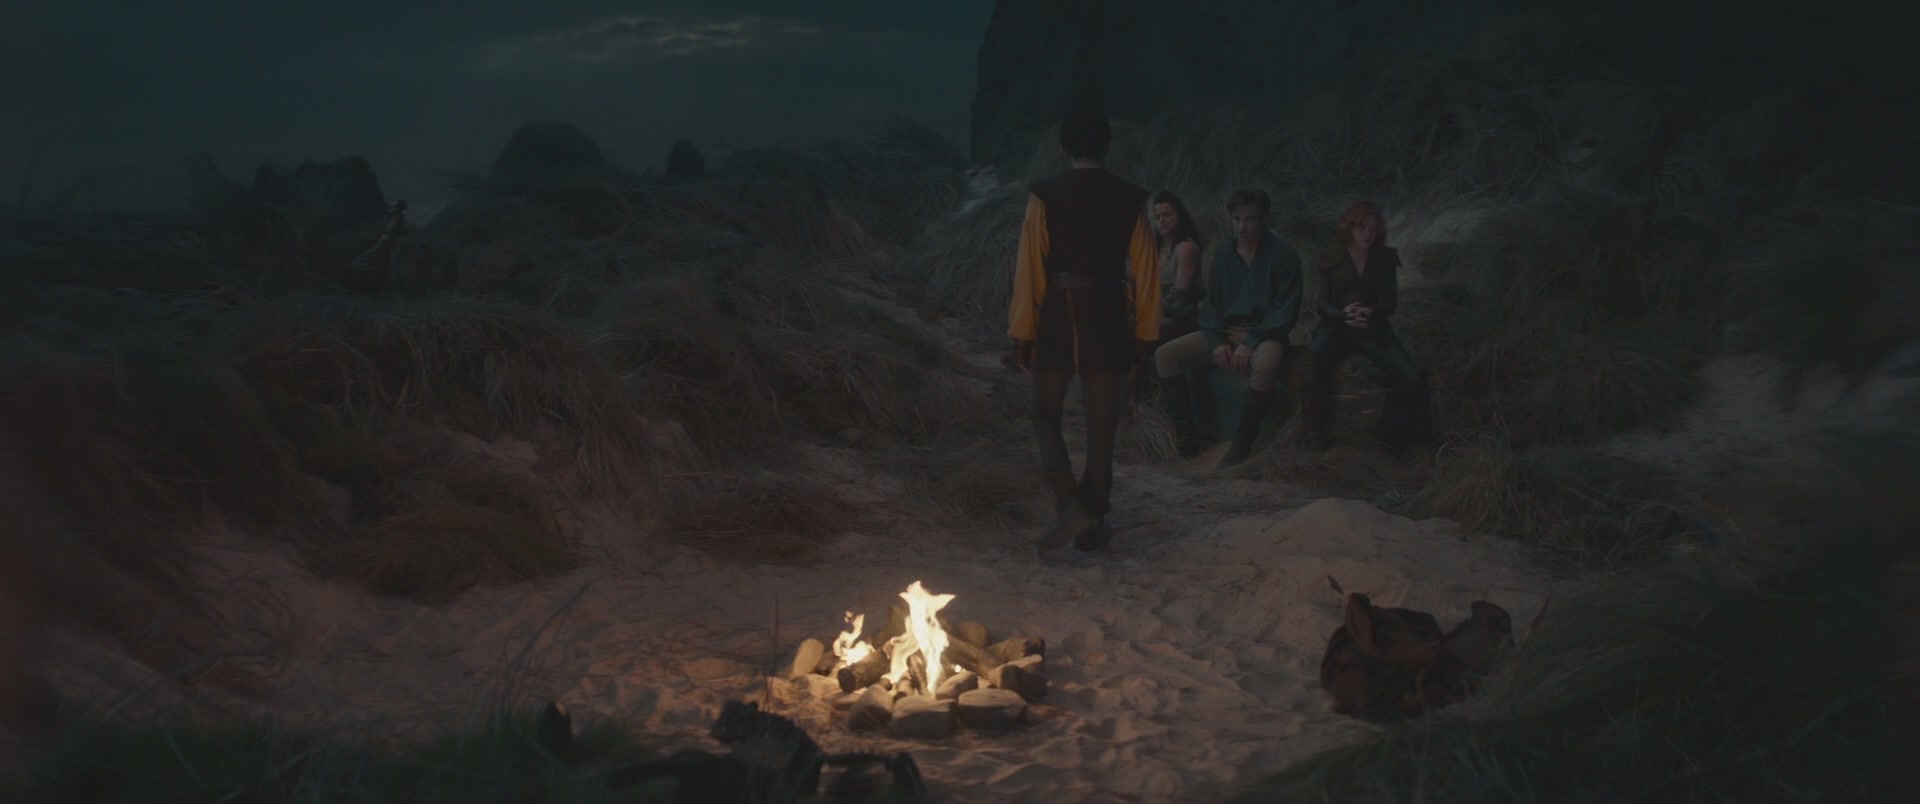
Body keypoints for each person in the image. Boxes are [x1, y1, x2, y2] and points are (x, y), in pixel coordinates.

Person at [1008, 103, 1161, 553]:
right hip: (1108, 316)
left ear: (1063, 148)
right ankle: (1091, 520)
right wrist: (1145, 335)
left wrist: (1023, 333)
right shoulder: (1131, 198)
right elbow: (1147, 272)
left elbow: (1029, 268)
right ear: (1107, 146)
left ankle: (1069, 500)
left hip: (1059, 313)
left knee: (1044, 414)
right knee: (1101, 428)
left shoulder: (1044, 196)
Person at [1152, 188, 1303, 468]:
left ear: (1264, 219)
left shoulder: (1284, 255)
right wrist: (1216, 342)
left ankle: (1241, 444)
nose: (1241, 227)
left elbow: (1284, 311)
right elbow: (1212, 307)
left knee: (1266, 365)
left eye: (1250, 219)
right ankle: (1188, 437)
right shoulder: (1223, 254)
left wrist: (1250, 343)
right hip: (1227, 331)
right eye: (1236, 219)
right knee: (1166, 355)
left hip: (1265, 333)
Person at [1302, 200, 1432, 453]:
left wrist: (1372, 311)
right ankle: (1314, 435)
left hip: (1373, 329)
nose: (1367, 234)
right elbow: (1322, 302)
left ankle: (1412, 439)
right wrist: (1342, 315)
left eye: (1373, 228)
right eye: (1362, 227)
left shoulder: (1385, 257)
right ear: (1350, 228)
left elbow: (1390, 302)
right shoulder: (1332, 257)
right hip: (1336, 327)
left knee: (1411, 376)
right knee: (1313, 368)